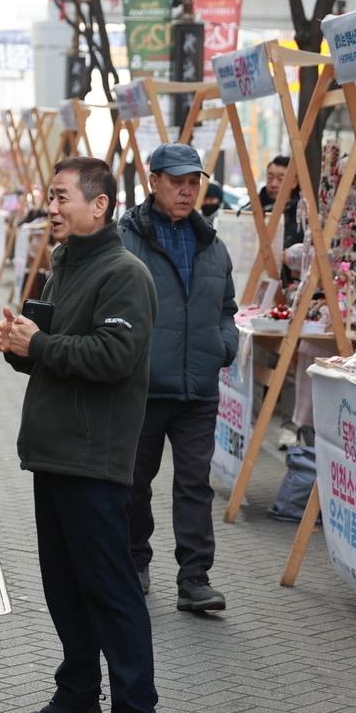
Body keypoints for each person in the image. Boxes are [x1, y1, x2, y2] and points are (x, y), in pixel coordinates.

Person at [0, 155, 160, 713]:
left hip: (96, 456)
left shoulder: (124, 272)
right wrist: (20, 345)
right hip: (55, 452)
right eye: (51, 197)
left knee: (110, 589)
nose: (53, 208)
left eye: (63, 198)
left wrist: (40, 344)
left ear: (101, 205)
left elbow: (114, 356)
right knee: (64, 585)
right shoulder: (66, 263)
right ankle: (78, 696)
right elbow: (57, 349)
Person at [118, 144, 238, 612]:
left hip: (198, 389)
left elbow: (226, 308)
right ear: (154, 181)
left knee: (195, 484)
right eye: (176, 181)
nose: (187, 190)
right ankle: (134, 560)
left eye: (194, 182)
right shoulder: (125, 238)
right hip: (142, 386)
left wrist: (222, 346)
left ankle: (195, 578)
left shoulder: (212, 243)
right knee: (134, 482)